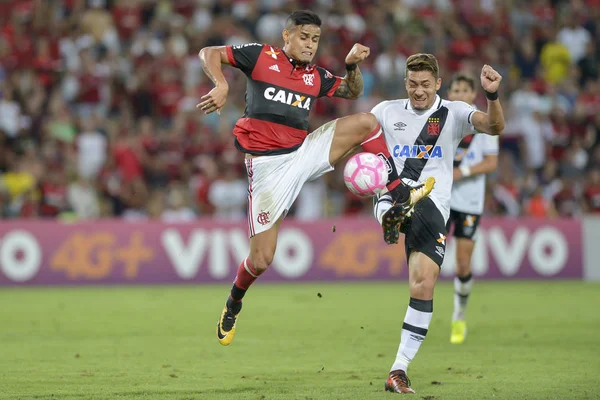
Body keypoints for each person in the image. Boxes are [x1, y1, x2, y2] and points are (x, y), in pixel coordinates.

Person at [198, 10, 434, 346]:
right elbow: (209, 53)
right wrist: (221, 83)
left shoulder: (315, 76)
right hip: (268, 168)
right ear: (287, 36)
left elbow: (352, 92)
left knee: (367, 122)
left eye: (315, 39)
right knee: (262, 259)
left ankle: (398, 194)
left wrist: (351, 66)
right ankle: (233, 302)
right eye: (304, 37)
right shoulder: (261, 56)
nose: (309, 45)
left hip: (303, 151)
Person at [371, 54, 505, 394]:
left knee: (424, 285)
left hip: (435, 204)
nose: (418, 92)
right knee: (394, 195)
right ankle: (390, 214)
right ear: (405, 83)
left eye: (425, 85)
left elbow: (494, 127)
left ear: (438, 84)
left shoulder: (455, 113)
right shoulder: (385, 110)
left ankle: (398, 369)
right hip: (400, 192)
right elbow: (358, 135)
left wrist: (492, 96)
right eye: (413, 84)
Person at [445, 73, 499, 345]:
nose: (459, 93)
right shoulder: (439, 121)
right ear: (449, 93)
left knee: (463, 263)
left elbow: (491, 163)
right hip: (440, 200)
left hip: (469, 203)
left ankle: (459, 315)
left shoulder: (483, 123)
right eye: (455, 89)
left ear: (471, 96)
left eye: (465, 90)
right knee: (426, 260)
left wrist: (462, 171)